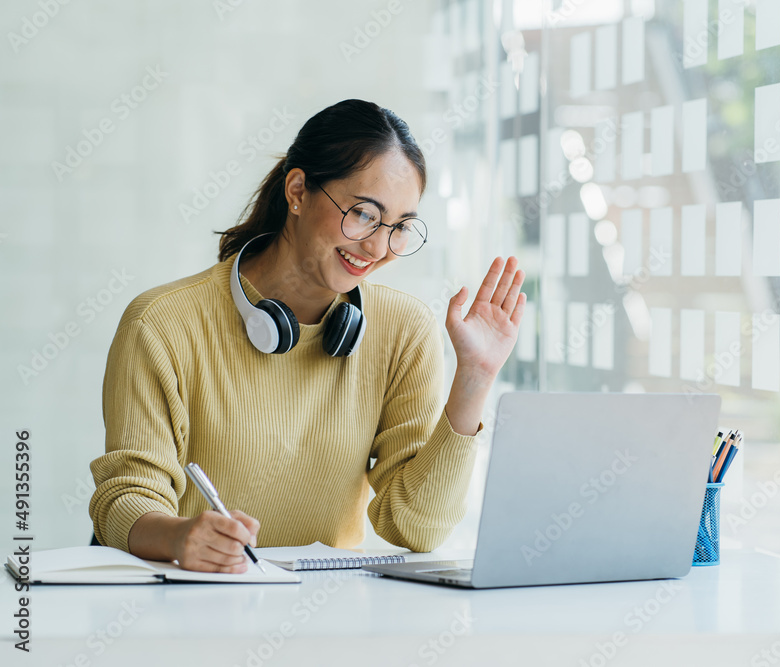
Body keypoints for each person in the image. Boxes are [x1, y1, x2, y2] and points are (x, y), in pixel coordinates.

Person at [89, 99, 526, 573]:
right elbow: (124, 499)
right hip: (196, 604)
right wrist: (180, 537)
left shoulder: (404, 329)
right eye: (362, 214)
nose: (378, 248)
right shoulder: (161, 324)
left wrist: (475, 379)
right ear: (297, 192)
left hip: (329, 614)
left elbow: (414, 528)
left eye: (398, 227)